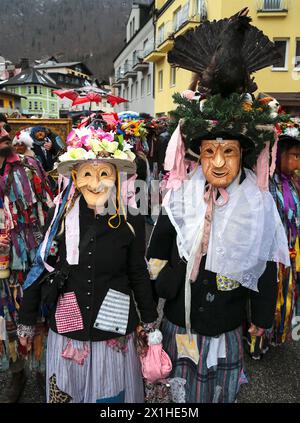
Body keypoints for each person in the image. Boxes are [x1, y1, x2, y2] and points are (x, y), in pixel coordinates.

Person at [147, 9, 290, 403]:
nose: (220, 162)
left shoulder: (257, 204)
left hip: (227, 325)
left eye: (228, 151)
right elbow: (156, 252)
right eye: (210, 152)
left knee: (221, 395)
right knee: (180, 398)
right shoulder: (181, 197)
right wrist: (169, 280)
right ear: (198, 154)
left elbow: (265, 264)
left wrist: (261, 317)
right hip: (181, 321)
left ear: (242, 154)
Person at [17, 126, 158, 403]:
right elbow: (41, 267)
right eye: (87, 175)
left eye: (104, 174)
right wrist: (26, 320)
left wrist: (150, 323)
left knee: (111, 399)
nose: (95, 183)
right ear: (76, 179)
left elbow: (138, 273)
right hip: (70, 331)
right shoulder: (60, 217)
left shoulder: (130, 219)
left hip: (113, 332)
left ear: (116, 177)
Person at [0, 114, 54, 402]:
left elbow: (50, 211)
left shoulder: (30, 166)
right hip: (0, 266)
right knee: (4, 320)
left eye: (4, 127)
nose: (2, 132)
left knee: (38, 313)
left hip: (31, 259)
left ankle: (43, 370)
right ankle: (17, 373)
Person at [248, 121, 300, 358]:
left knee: (285, 295)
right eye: (294, 156)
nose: (297, 163)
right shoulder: (267, 184)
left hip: (290, 251)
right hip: (270, 252)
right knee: (267, 295)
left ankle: (276, 334)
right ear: (279, 156)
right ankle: (257, 341)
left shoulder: (293, 183)